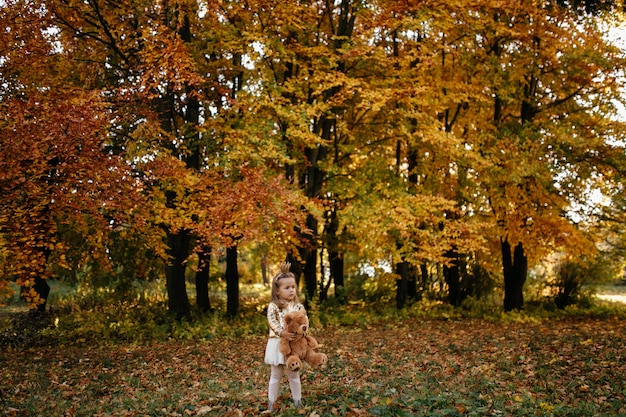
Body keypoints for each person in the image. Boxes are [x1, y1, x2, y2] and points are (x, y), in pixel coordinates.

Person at [264, 261, 305, 412]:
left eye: (293, 287)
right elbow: (272, 321)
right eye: (287, 288)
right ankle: (271, 402)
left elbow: (304, 321)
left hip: (293, 345)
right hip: (277, 344)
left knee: (294, 374)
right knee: (276, 375)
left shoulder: (298, 306)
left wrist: (302, 332)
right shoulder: (274, 306)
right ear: (277, 290)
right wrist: (282, 332)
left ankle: (297, 400)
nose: (291, 290)